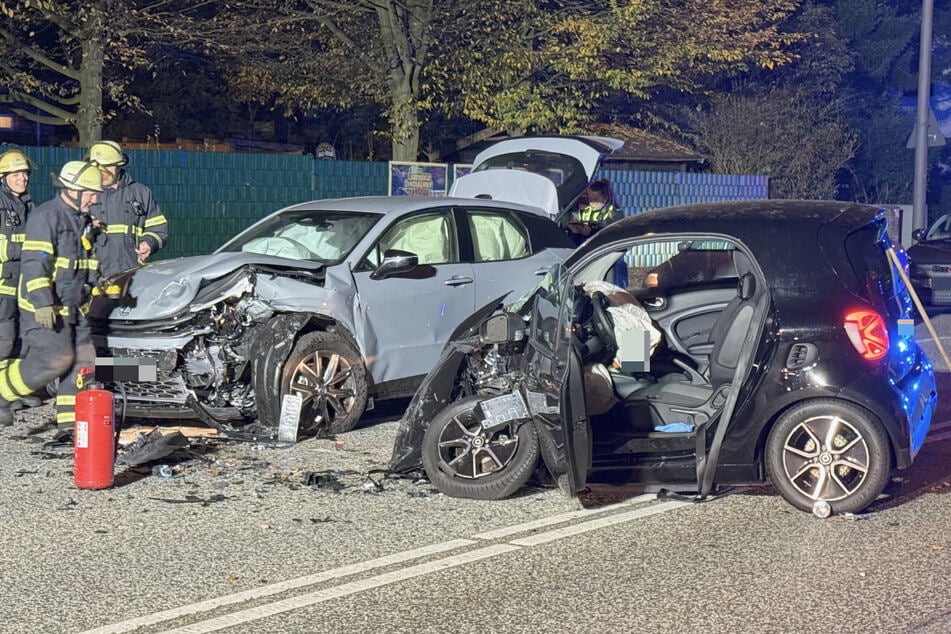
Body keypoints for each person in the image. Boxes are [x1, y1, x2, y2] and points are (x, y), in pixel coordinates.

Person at [0, 161, 103, 427]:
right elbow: (35, 263)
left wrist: (97, 285)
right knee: (54, 361)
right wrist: (43, 303)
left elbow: (83, 264)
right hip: (44, 309)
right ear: (73, 190)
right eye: (91, 192)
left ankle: (69, 423)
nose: (95, 197)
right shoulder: (46, 216)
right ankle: (2, 394)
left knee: (84, 362)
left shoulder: (82, 221)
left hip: (72, 307)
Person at [86, 140, 168, 278]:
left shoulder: (140, 193)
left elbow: (158, 228)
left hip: (130, 275)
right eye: (98, 168)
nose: (102, 173)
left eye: (107, 167)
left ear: (119, 166)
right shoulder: (84, 195)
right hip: (92, 278)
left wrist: (148, 243)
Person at [0, 150, 33, 362]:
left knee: (20, 339)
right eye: (16, 175)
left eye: (25, 173)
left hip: (23, 285)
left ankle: (13, 391)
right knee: (4, 338)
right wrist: (26, 249)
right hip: (3, 284)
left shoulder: (27, 203)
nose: (23, 178)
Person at [567, 178, 628, 286]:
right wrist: (576, 230)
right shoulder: (586, 211)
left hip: (609, 256)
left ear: (605, 199)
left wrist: (591, 232)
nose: (592, 204)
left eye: (595, 200)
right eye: (590, 200)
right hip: (588, 255)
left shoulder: (615, 213)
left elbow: (611, 232)